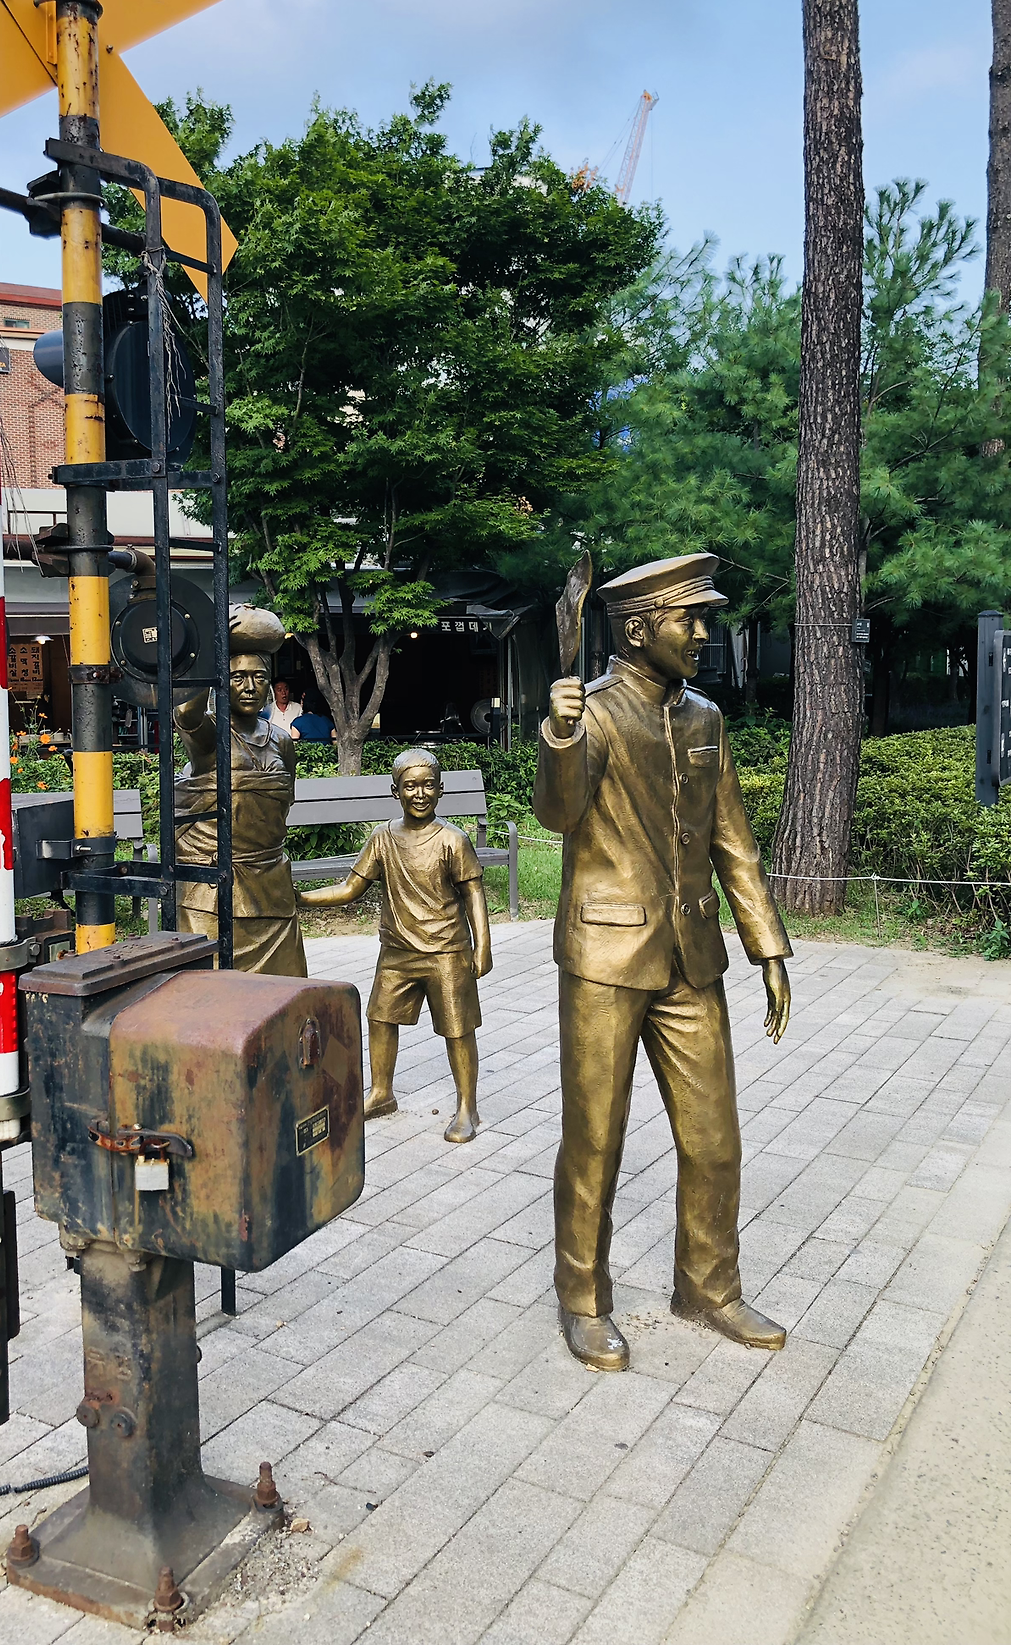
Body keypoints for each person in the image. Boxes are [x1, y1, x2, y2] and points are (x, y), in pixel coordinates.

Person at [534, 552, 792, 1373]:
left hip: (692, 958)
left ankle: (708, 1288)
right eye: (692, 619)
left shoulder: (706, 718)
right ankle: (582, 1298)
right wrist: (561, 736)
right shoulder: (594, 712)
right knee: (595, 1140)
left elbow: (732, 841)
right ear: (641, 629)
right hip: (605, 956)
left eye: (705, 618)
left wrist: (767, 945)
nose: (705, 633)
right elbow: (558, 813)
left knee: (715, 1138)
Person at [297, 748, 492, 1142]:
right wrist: (300, 899)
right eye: (410, 786)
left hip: (446, 951)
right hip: (397, 951)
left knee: (458, 1029)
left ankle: (467, 1106)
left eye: (428, 786)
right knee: (380, 1018)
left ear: (441, 790)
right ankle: (381, 1093)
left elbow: (473, 893)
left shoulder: (453, 839)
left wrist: (482, 946)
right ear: (395, 792)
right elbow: (351, 888)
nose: (419, 794)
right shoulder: (383, 838)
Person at [173, 606, 306, 977]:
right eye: (237, 677)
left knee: (284, 991)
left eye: (259, 677)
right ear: (221, 681)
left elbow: (285, 801)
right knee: (212, 991)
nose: (250, 687)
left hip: (270, 884)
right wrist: (210, 648)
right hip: (211, 890)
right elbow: (186, 714)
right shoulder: (210, 736)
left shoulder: (280, 740)